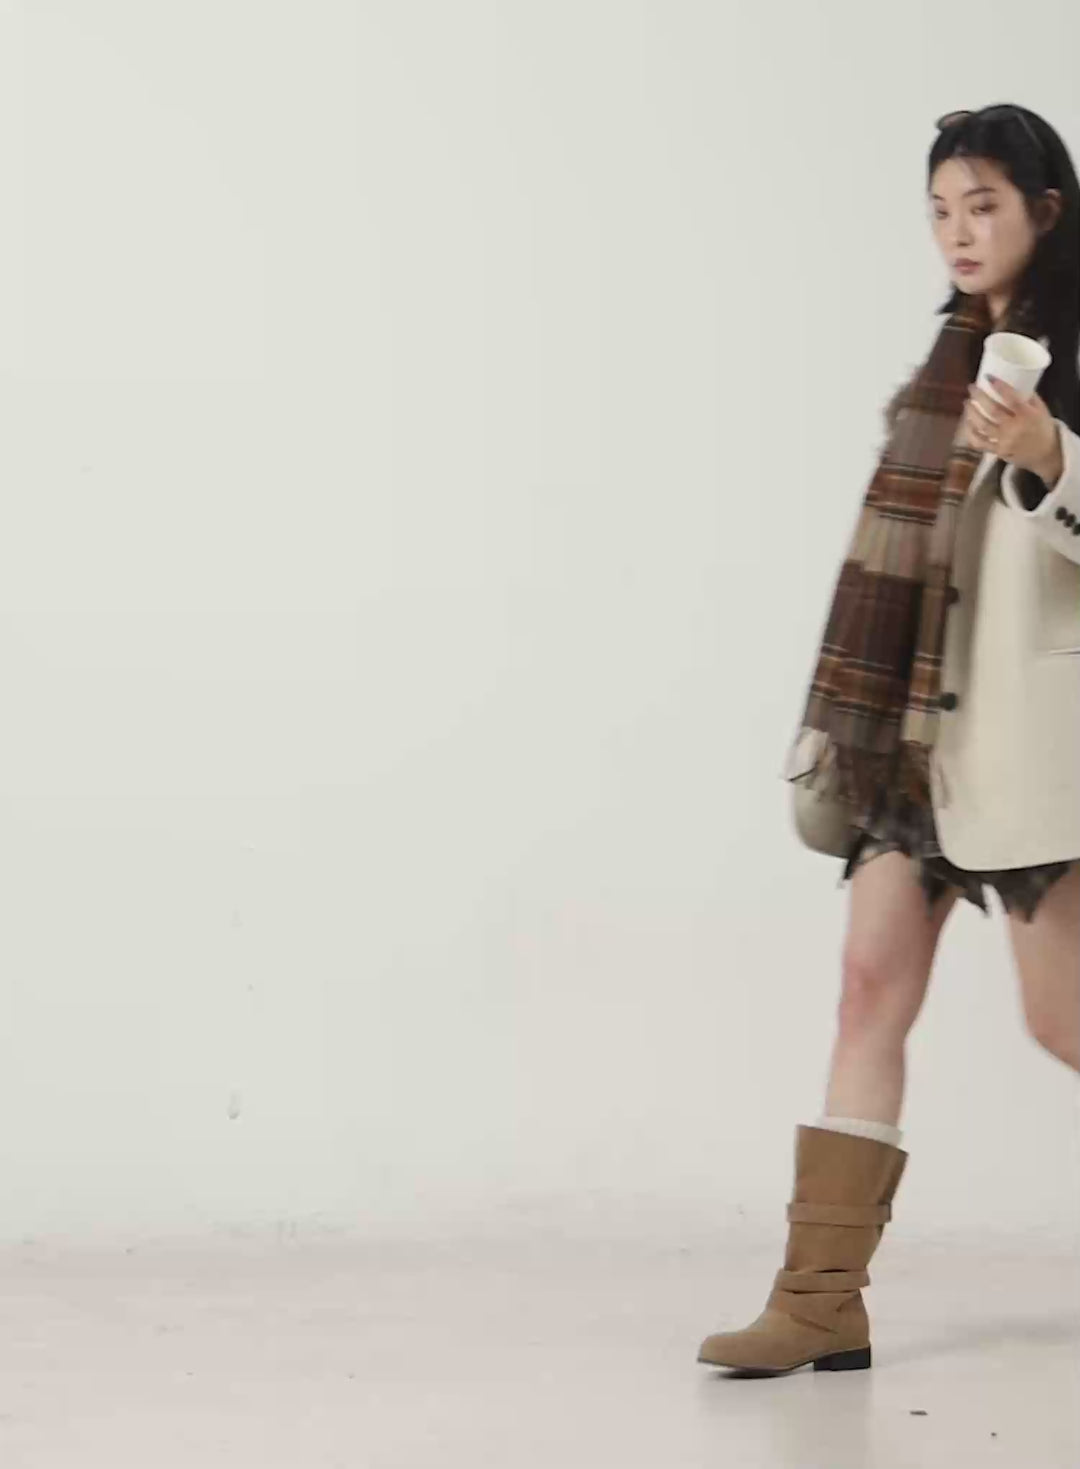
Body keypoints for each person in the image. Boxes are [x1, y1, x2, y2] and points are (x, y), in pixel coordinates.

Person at [696, 104, 1080, 1378]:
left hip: (1029, 746)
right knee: (868, 985)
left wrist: (1050, 453)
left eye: (984, 205)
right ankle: (820, 1300)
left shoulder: (1064, 359)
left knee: (1063, 1022)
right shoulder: (947, 363)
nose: (959, 232)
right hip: (905, 740)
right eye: (940, 210)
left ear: (1047, 210)